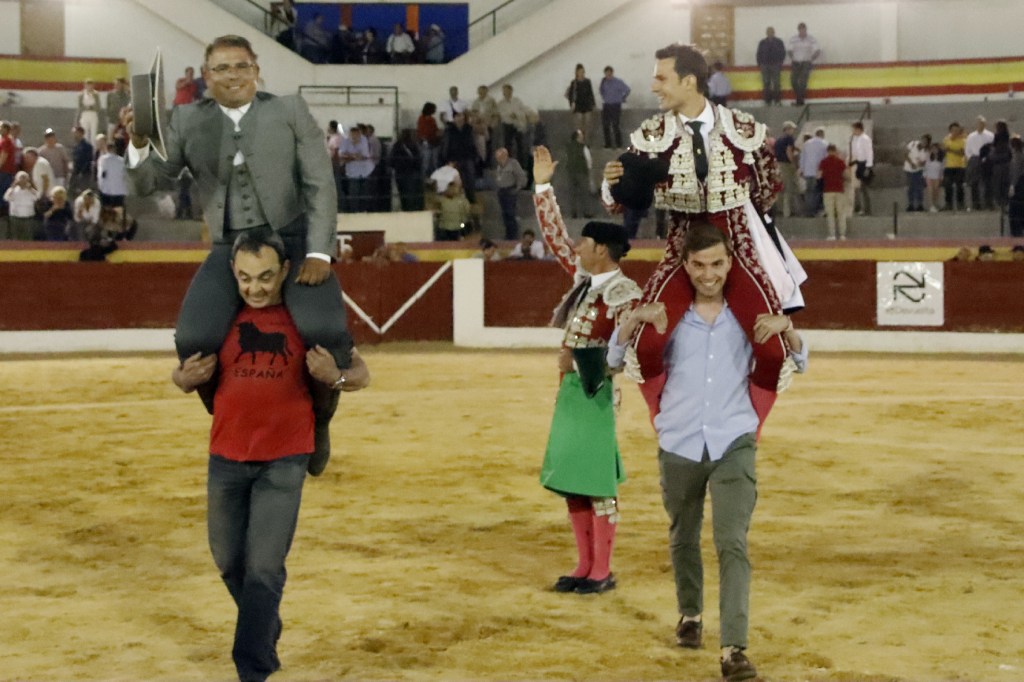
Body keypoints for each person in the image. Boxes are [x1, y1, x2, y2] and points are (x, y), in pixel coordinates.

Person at [126, 34, 354, 475]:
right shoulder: (186, 118)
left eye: (241, 66)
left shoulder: (289, 110)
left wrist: (319, 252)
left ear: (256, 70)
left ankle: (321, 419)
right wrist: (137, 141)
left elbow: (320, 185)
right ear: (205, 75)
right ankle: (227, 413)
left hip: (292, 240)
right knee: (192, 340)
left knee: (324, 330)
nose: (233, 75)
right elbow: (150, 183)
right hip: (229, 246)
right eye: (222, 68)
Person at [608, 222, 807, 682]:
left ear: (731, 263)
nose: (708, 274)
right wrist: (633, 319)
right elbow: (616, 360)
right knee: (683, 534)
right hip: (678, 441)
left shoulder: (748, 316)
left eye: (717, 263)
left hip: (734, 440)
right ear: (685, 266)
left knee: (732, 542)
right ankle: (691, 614)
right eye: (698, 265)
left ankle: (734, 648)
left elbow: (797, 361)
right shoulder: (668, 317)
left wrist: (790, 329)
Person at [171, 228, 369, 682]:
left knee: (263, 567)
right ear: (233, 273)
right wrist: (183, 380)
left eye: (264, 277)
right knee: (228, 561)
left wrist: (335, 377)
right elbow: (180, 374)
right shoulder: (221, 320)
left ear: (284, 271)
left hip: (285, 459)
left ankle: (252, 667)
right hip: (226, 456)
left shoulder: (304, 320)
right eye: (244, 278)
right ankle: (262, 626)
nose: (254, 289)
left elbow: (361, 373)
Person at [601, 43, 805, 426]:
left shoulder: (744, 130)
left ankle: (748, 432)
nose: (654, 86)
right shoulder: (650, 136)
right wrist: (612, 183)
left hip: (738, 252)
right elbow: (622, 202)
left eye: (661, 78)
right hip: (682, 252)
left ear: (689, 81)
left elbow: (768, 188)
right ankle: (666, 422)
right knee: (647, 343)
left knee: (774, 351)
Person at [531, 145, 642, 595]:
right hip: (571, 393)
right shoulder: (585, 281)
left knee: (597, 483)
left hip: (597, 397)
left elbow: (627, 354)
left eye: (583, 244)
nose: (575, 248)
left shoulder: (626, 293)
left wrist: (578, 359)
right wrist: (542, 187)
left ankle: (602, 570)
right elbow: (556, 237)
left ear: (601, 250)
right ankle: (584, 564)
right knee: (576, 481)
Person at [493, 146, 527, 240]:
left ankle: (513, 235)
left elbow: (520, 176)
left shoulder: (513, 164)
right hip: (502, 191)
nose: (497, 159)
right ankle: (508, 234)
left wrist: (518, 188)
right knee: (504, 214)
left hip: (510, 190)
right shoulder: (499, 166)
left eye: (499, 157)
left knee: (511, 213)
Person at [818, 144, 849, 240]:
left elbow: (819, 176)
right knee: (841, 213)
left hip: (827, 190)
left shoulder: (823, 162)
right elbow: (847, 175)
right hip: (839, 189)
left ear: (827, 151)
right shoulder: (840, 162)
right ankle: (842, 234)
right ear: (835, 151)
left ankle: (832, 234)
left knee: (830, 214)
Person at [787, 23, 820, 106]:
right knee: (793, 81)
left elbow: (817, 50)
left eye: (803, 30)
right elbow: (789, 50)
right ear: (798, 30)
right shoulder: (793, 39)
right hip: (796, 62)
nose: (802, 31)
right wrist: (792, 58)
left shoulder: (811, 39)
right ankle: (800, 99)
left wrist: (812, 59)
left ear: (806, 30)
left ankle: (799, 100)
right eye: (800, 30)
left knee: (803, 82)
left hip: (806, 62)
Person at [965, 116, 994, 211]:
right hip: (974, 158)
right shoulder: (971, 136)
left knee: (987, 182)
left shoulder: (990, 135)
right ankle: (976, 204)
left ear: (985, 124)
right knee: (974, 182)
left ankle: (988, 203)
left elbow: (992, 148)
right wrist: (971, 158)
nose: (980, 125)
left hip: (987, 160)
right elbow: (967, 149)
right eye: (978, 123)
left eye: (982, 123)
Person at [564, 129, 594, 219]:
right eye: (581, 136)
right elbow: (589, 160)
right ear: (577, 137)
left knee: (572, 193)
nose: (582, 138)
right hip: (582, 171)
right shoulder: (583, 147)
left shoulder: (568, 147)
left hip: (571, 172)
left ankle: (573, 212)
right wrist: (589, 171)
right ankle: (586, 212)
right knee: (584, 193)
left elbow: (566, 158)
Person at [599, 66, 630, 149]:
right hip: (606, 105)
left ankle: (618, 144)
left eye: (609, 73)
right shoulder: (603, 82)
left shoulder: (618, 82)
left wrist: (622, 98)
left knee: (615, 125)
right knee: (606, 125)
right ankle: (608, 144)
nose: (608, 75)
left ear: (612, 73)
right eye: (606, 73)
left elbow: (627, 89)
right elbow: (601, 91)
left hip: (615, 105)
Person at [799, 127, 828, 216]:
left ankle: (808, 211)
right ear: (822, 134)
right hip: (818, 172)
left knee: (809, 191)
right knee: (818, 192)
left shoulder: (807, 143)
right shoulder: (825, 143)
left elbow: (802, 158)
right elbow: (825, 158)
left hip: (808, 171)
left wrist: (802, 169)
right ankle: (816, 210)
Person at [3, 171, 39, 240]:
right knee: (15, 238)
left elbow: (38, 197)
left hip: (28, 218)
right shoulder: (12, 190)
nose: (22, 180)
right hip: (15, 218)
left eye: (24, 178)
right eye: (21, 178)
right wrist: (12, 187)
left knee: (28, 237)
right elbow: (6, 198)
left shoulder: (31, 191)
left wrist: (30, 188)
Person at [848, 121, 873, 215]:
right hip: (859, 163)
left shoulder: (865, 139)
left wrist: (868, 167)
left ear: (858, 129)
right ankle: (860, 207)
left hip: (864, 164)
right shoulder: (857, 139)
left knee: (864, 188)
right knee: (860, 187)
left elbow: (869, 153)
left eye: (854, 129)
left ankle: (867, 209)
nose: (853, 131)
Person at [773, 121, 798, 217]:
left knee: (780, 188)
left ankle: (779, 209)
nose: (793, 131)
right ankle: (787, 211)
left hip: (778, 165)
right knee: (788, 187)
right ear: (787, 129)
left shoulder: (778, 140)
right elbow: (789, 151)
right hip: (786, 164)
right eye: (792, 129)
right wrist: (793, 163)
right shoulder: (789, 138)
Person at [756, 27, 786, 105]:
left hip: (776, 65)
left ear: (774, 33)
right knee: (766, 83)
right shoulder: (762, 42)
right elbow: (759, 53)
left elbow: (783, 53)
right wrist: (760, 64)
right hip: (764, 65)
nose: (770, 33)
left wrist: (780, 63)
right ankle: (767, 100)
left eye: (771, 32)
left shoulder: (779, 42)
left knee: (776, 83)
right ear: (766, 33)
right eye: (768, 32)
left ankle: (777, 100)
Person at [565, 64, 596, 135]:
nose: (581, 73)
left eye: (582, 72)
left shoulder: (587, 81)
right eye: (580, 72)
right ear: (576, 72)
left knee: (588, 122)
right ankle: (580, 137)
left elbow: (590, 93)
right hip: (578, 105)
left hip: (587, 104)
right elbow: (571, 95)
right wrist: (572, 104)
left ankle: (587, 137)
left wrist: (593, 104)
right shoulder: (574, 82)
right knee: (579, 122)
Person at [942, 122, 967, 212]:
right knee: (947, 185)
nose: (955, 132)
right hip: (949, 166)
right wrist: (950, 150)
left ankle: (960, 204)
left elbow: (962, 153)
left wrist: (951, 150)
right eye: (953, 130)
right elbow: (944, 150)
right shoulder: (946, 139)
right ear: (950, 131)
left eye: (957, 130)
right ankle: (948, 204)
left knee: (959, 186)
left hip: (960, 166)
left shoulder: (963, 140)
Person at [904, 134, 930, 212]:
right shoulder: (913, 144)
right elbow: (905, 154)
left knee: (919, 187)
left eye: (926, 142)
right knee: (910, 187)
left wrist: (920, 164)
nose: (924, 142)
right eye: (923, 140)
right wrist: (911, 163)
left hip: (919, 170)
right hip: (909, 169)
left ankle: (919, 204)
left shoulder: (926, 151)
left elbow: (924, 162)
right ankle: (911, 204)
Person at [924, 143, 945, 213]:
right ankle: (931, 205)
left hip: (937, 176)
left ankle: (935, 204)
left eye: (936, 149)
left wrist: (941, 176)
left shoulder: (941, 158)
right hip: (929, 176)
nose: (934, 150)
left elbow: (942, 168)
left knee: (936, 191)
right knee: (930, 191)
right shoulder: (928, 157)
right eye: (933, 149)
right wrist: (925, 175)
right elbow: (926, 166)